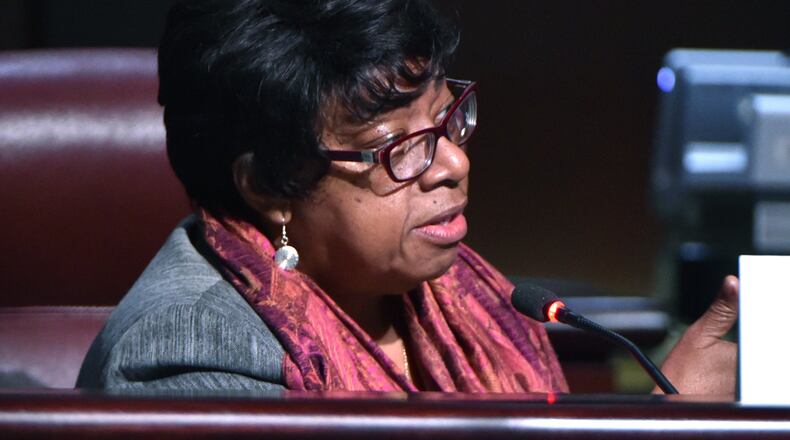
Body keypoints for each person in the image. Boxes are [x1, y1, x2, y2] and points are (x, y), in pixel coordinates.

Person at [77, 0, 737, 394]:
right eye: (397, 148)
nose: (452, 163)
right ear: (272, 186)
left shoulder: (456, 298)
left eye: (449, 119)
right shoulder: (188, 350)